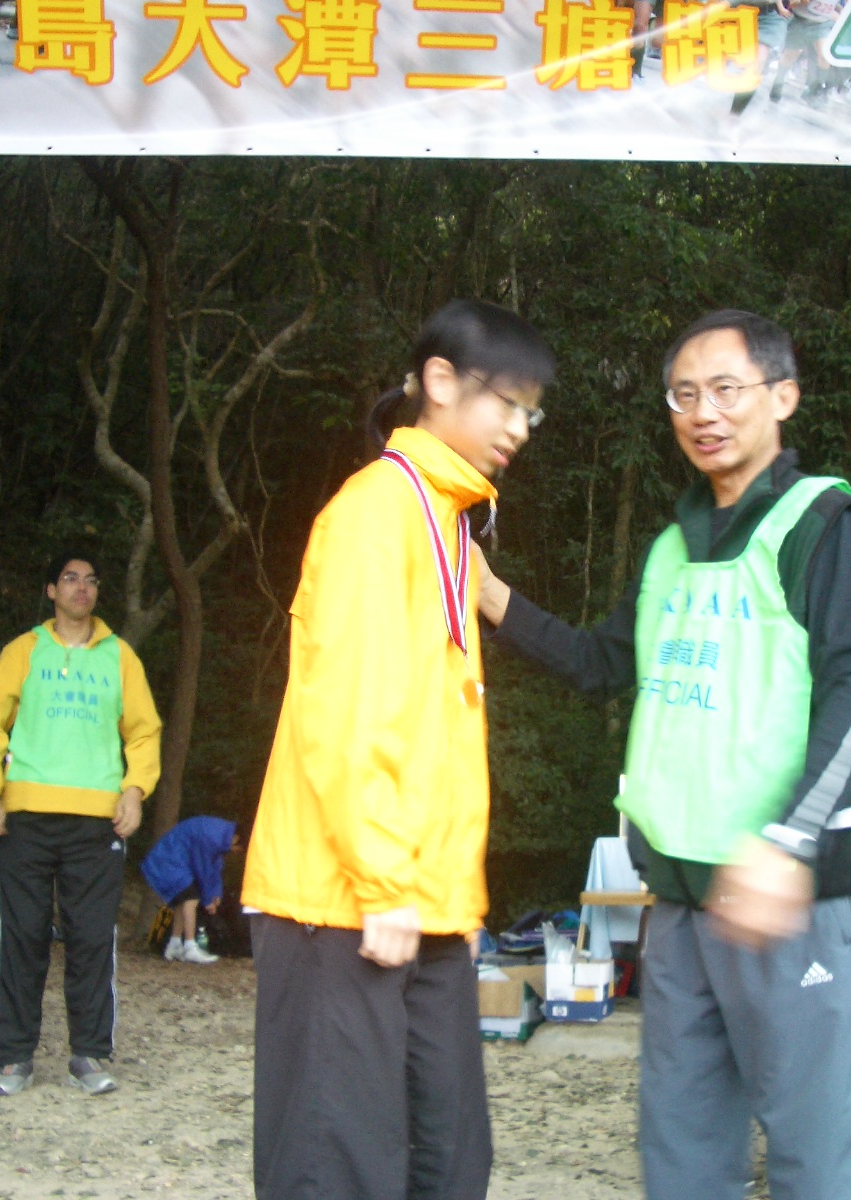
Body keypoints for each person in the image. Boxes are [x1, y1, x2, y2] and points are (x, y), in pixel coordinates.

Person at [478, 309, 851, 1200]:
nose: (704, 412)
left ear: (782, 397)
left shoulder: (826, 525)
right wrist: (490, 596)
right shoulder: (672, 549)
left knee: (824, 1156)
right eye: (684, 394)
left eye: (726, 390)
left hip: (792, 895)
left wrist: (790, 842)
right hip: (678, 900)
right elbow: (600, 663)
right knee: (681, 1154)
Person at [241, 299, 553, 1200]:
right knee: (338, 1168)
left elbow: (432, 726)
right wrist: (383, 882)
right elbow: (346, 711)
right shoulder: (374, 514)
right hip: (343, 902)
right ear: (441, 382)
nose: (519, 429)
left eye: (532, 413)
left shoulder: (448, 524)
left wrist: (445, 895)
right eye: (507, 403)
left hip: (426, 904)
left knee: (447, 1163)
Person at [0, 551, 162, 1097]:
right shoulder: (23, 650)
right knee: (22, 938)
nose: (82, 588)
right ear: (51, 590)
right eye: (70, 579)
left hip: (97, 822)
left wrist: (134, 790)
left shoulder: (120, 656)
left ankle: (90, 1053)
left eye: (91, 581)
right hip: (26, 818)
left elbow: (143, 730)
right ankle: (13, 1058)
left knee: (91, 940)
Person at [140, 815, 240, 965]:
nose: (236, 852)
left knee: (183, 900)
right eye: (238, 849)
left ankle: (174, 944)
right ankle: (190, 946)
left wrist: (216, 893)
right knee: (191, 898)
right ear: (236, 838)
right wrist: (208, 900)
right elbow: (203, 868)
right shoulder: (212, 837)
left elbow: (215, 866)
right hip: (168, 860)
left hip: (177, 861)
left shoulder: (221, 835)